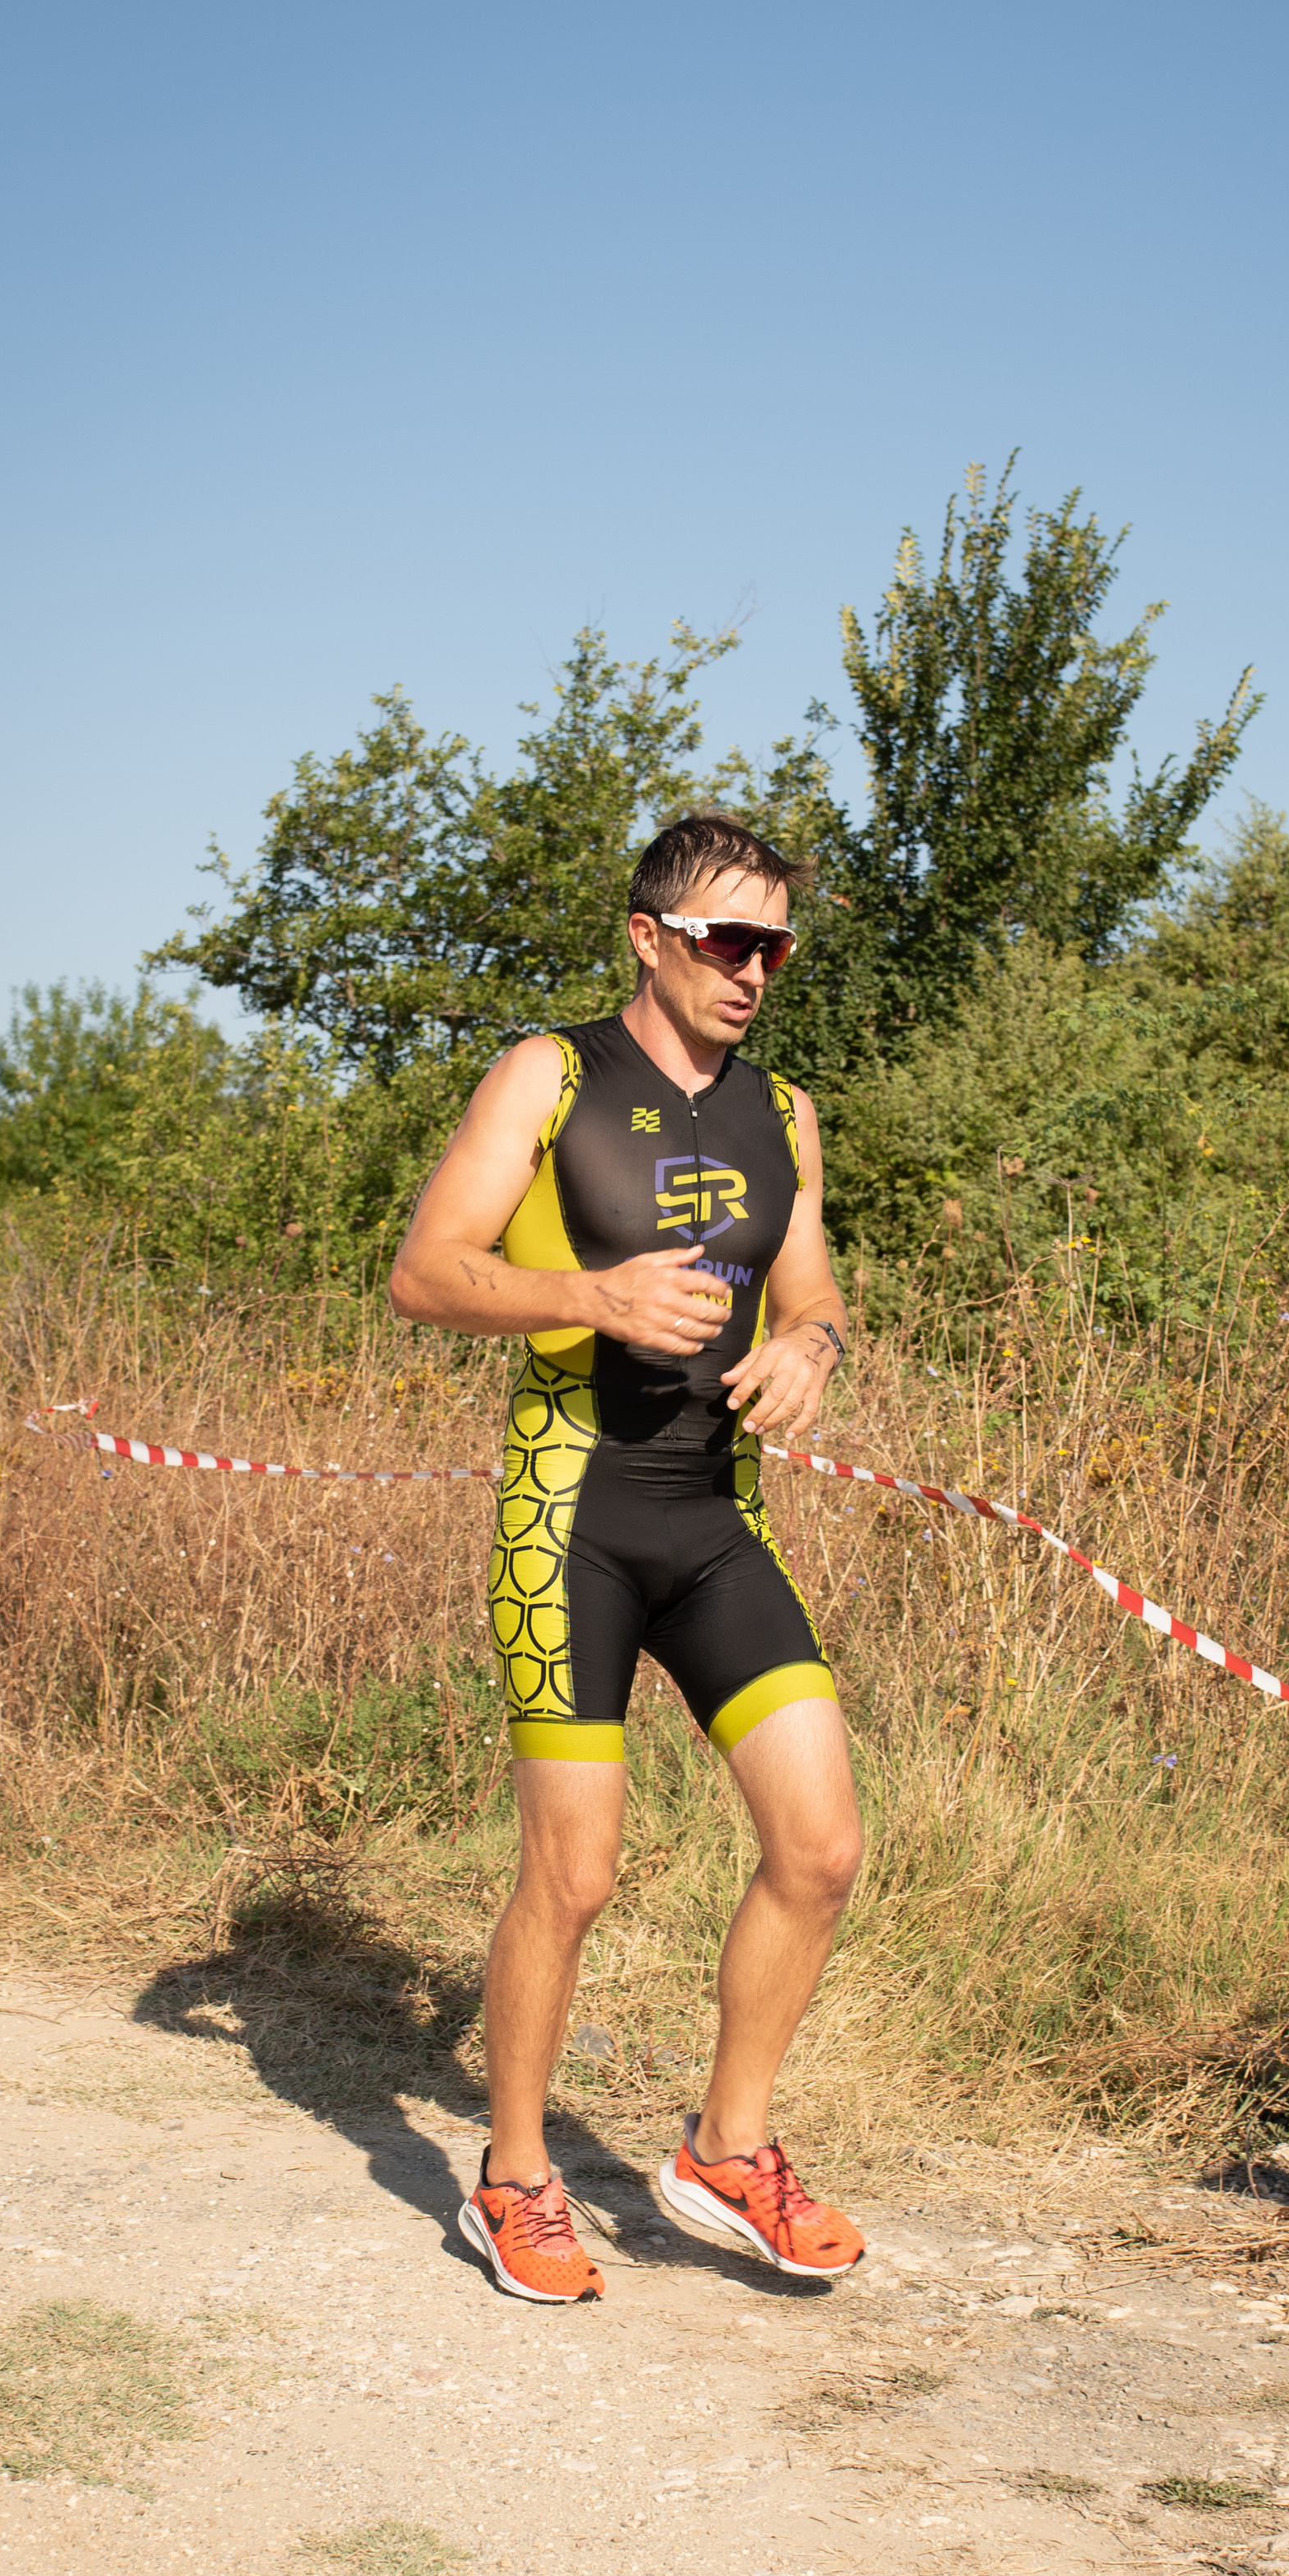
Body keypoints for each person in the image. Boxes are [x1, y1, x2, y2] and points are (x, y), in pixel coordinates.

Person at [388, 813, 864, 2303]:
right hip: (571, 1512)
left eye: (775, 945)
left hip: (718, 1518)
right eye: (728, 938)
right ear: (650, 938)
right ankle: (515, 2179)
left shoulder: (784, 1109)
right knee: (575, 1874)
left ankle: (728, 2150)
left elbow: (818, 1293)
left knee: (822, 1846)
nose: (754, 969)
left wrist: (811, 1349)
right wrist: (587, 1295)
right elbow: (423, 1272)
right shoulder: (550, 1072)